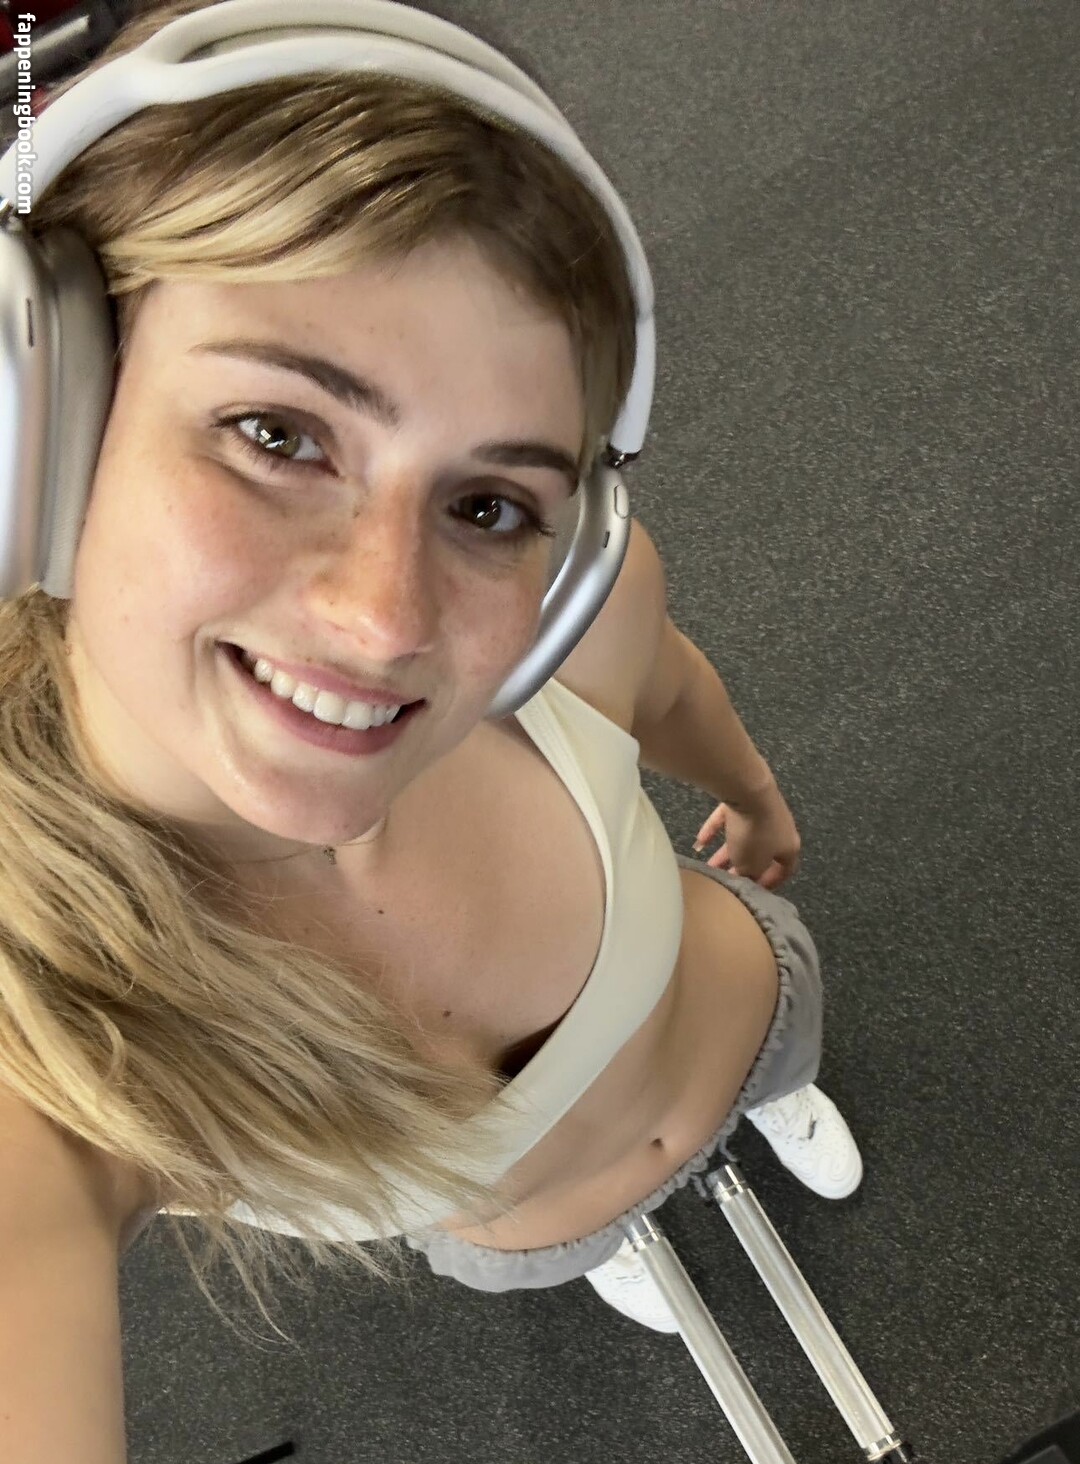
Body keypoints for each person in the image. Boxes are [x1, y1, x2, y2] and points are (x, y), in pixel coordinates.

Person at [0, 0, 864, 1344]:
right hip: (539, 1225)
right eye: (278, 434)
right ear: (46, 436)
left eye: (489, 506)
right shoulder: (63, 1045)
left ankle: (772, 1101)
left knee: (779, 1058)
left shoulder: (573, 621)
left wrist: (753, 798)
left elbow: (673, 690)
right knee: (584, 1225)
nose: (385, 621)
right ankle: (610, 1233)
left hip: (756, 1012)